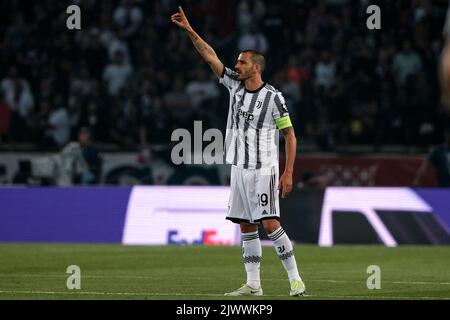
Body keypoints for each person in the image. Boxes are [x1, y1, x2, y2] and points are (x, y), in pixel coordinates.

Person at [171, 7, 306, 297]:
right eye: (237, 61)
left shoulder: (273, 98)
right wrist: (189, 30)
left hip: (263, 168)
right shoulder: (233, 84)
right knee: (246, 226)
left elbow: (290, 135)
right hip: (239, 167)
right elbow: (210, 56)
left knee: (270, 223)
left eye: (242, 62)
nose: (237, 65)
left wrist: (288, 171)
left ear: (256, 67)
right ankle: (254, 284)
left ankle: (295, 279)